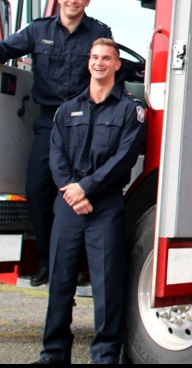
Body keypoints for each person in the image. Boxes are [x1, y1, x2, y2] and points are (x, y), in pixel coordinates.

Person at [0, 0, 112, 287]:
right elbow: (4, 49)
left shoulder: (99, 32)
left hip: (85, 124)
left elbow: (108, 71)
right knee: (38, 189)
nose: (72, 1)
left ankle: (78, 266)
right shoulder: (39, 29)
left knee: (81, 193)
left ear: (87, 1)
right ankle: (44, 263)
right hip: (49, 122)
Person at [36, 38, 145, 364]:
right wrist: (72, 190)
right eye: (95, 57)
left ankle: (105, 357)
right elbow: (56, 156)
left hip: (106, 207)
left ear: (116, 65)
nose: (99, 62)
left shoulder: (130, 110)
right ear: (89, 63)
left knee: (107, 287)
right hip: (68, 206)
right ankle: (53, 355)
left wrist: (87, 188)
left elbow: (123, 159)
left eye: (106, 58)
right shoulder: (67, 108)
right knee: (60, 284)